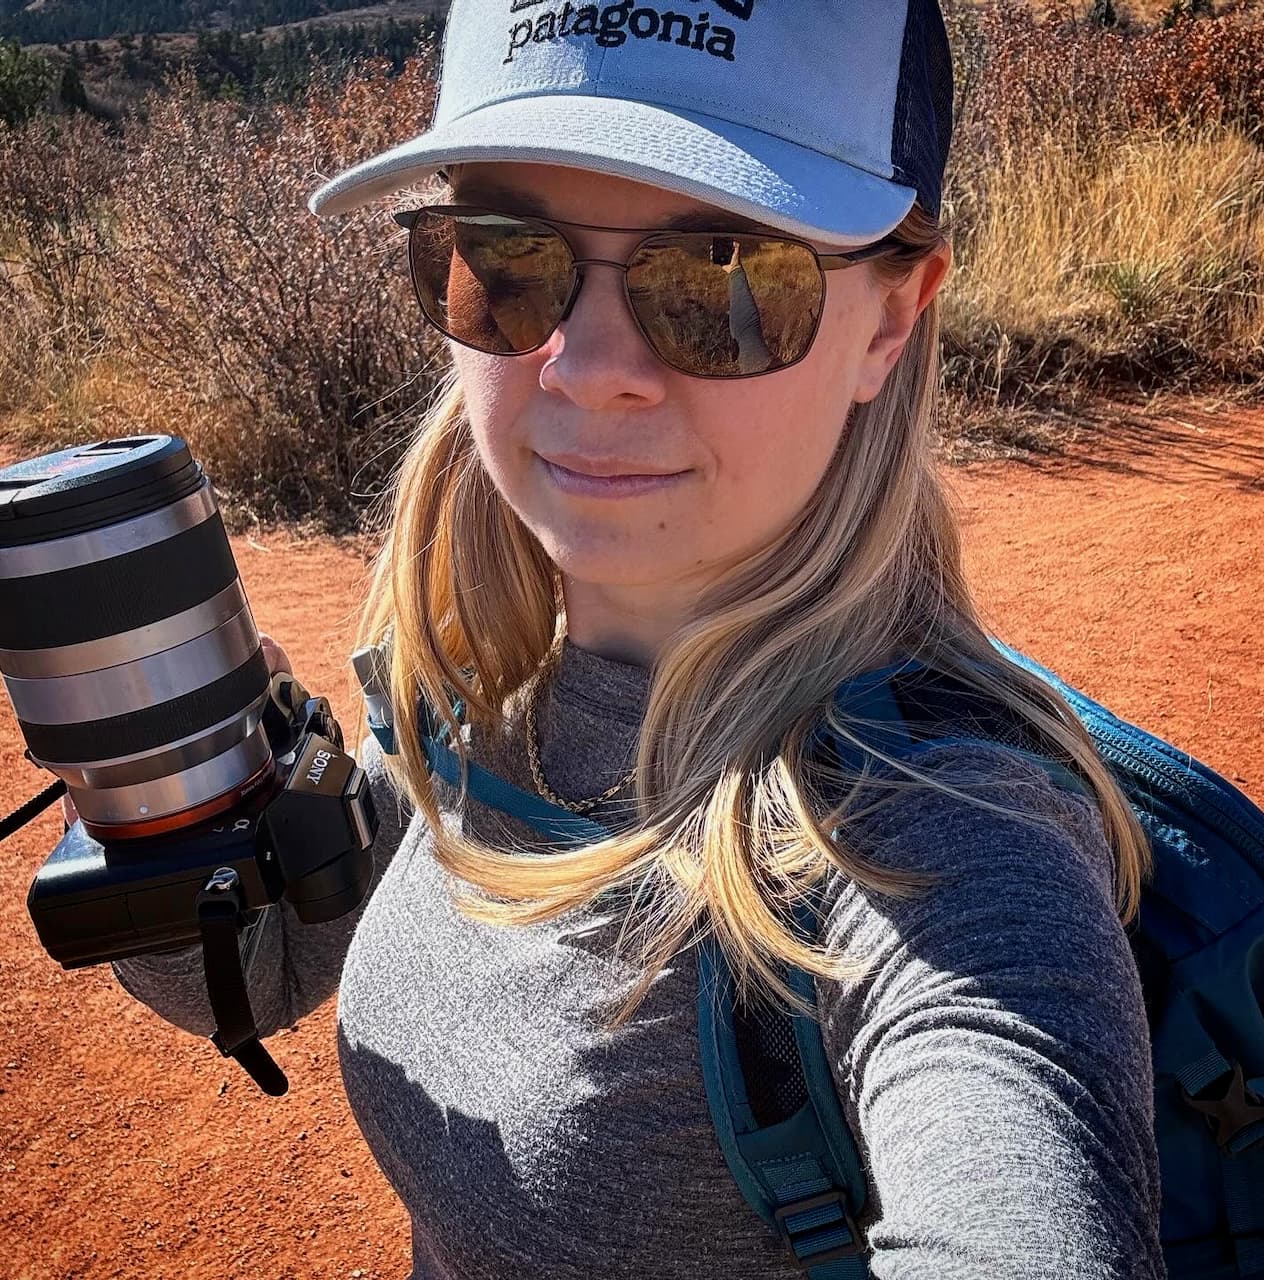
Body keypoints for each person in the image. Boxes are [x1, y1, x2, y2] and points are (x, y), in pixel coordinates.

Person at [107, 1, 1167, 1276]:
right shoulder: (478, 694)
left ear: (890, 318)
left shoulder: (939, 848)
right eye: (503, 258)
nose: (585, 365)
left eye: (724, 267)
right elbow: (267, 973)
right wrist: (143, 774)